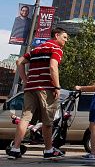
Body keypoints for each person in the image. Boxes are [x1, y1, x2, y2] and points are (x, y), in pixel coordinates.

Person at [8, 27, 69, 160]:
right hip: (45, 88)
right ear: (56, 35)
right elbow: (53, 67)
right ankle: (48, 150)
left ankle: (15, 149)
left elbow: (19, 62)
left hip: (30, 88)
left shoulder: (36, 49)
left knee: (25, 118)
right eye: (64, 37)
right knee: (47, 121)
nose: (66, 41)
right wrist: (57, 86)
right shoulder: (56, 49)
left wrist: (25, 80)